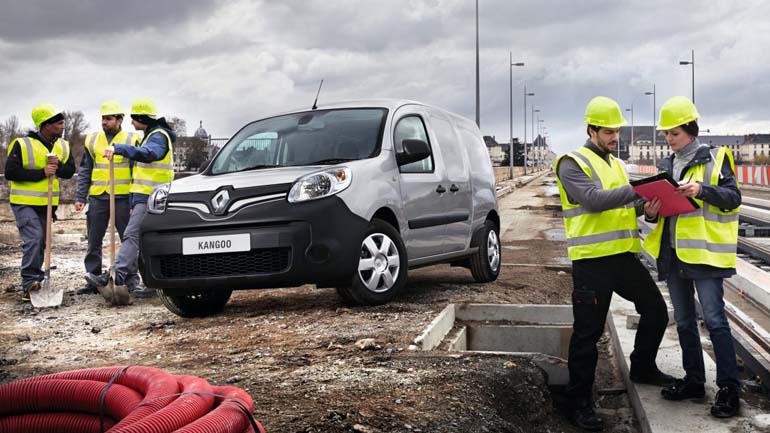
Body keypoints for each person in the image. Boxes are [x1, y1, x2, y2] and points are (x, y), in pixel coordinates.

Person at [554, 96, 672, 431]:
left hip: (621, 256)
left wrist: (644, 210)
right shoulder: (571, 162)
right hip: (591, 262)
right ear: (591, 129)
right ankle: (578, 403)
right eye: (608, 131)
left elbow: (621, 206)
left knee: (655, 310)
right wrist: (637, 191)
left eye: (616, 131)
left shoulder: (616, 164)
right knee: (587, 335)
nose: (614, 137)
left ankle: (643, 367)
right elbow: (591, 201)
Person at [643, 96, 742, 418]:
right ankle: (694, 380)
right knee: (684, 321)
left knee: (715, 321)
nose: (669, 140)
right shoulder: (665, 166)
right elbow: (660, 212)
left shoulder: (716, 158)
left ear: (690, 129)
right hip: (672, 255)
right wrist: (651, 212)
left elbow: (732, 198)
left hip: (704, 255)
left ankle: (729, 389)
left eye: (674, 133)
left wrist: (702, 190)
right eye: (666, 135)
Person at [86, 97, 175, 299]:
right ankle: (152, 283)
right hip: (145, 196)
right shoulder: (151, 134)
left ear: (142, 118)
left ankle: (116, 274)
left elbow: (150, 154)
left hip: (153, 195)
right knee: (144, 239)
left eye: (134, 119)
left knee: (132, 235)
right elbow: (140, 173)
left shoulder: (158, 136)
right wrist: (134, 201)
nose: (132, 124)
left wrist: (119, 148)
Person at [4, 103, 75, 301]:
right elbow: (10, 172)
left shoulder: (64, 146)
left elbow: (69, 172)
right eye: (59, 123)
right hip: (24, 202)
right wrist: (41, 173)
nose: (63, 127)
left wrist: (57, 166)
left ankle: (37, 280)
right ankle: (29, 283)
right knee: (34, 238)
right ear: (45, 125)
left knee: (43, 241)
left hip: (47, 204)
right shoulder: (22, 144)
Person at [74, 100, 142, 295]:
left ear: (119, 120)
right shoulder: (92, 140)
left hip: (122, 197)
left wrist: (134, 198)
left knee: (128, 239)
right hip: (98, 197)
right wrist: (81, 196)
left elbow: (136, 170)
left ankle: (130, 280)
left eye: (109, 118)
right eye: (103, 118)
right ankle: (93, 279)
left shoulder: (131, 139)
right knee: (93, 240)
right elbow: (85, 169)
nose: (105, 122)